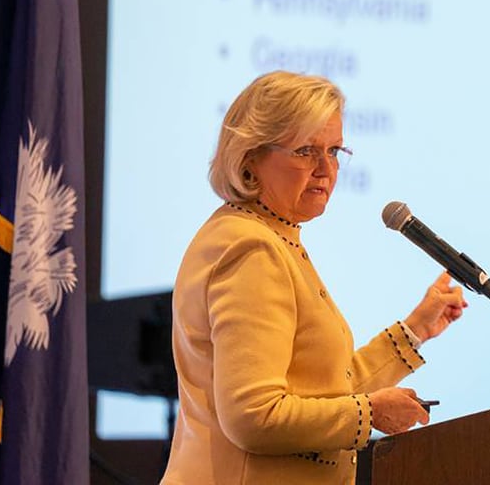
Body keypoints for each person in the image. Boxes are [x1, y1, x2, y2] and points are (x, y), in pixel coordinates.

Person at [160, 71, 466, 484]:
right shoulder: (252, 249)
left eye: (335, 151)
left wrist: (415, 331)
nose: (326, 169)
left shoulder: (271, 235)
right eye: (306, 151)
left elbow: (322, 391)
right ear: (250, 157)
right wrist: (370, 414)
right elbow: (254, 416)